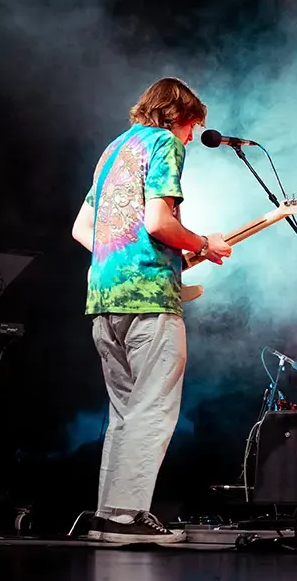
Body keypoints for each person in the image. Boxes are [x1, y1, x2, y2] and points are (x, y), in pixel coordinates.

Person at [70, 77, 232, 545]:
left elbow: (84, 229)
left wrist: (139, 254)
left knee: (124, 413)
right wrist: (203, 244)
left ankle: (109, 516)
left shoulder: (113, 150)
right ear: (180, 116)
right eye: (191, 130)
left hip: (104, 299)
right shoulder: (164, 142)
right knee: (153, 408)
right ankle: (128, 516)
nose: (189, 140)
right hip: (148, 300)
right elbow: (160, 221)